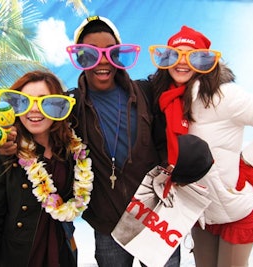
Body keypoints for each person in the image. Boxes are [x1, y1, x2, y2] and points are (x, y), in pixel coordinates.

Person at [148, 25, 253, 267]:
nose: (182, 63)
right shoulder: (166, 98)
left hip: (234, 208)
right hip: (201, 211)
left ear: (205, 61)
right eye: (175, 55)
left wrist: (247, 160)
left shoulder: (224, 96)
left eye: (193, 55)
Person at [65, 16, 180, 267]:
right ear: (81, 58)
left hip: (157, 217)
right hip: (109, 224)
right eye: (91, 53)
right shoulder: (70, 106)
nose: (103, 60)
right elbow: (35, 125)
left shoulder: (147, 92)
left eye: (110, 52)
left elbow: (166, 138)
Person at [0, 70, 94, 267]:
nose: (34, 109)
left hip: (61, 254)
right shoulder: (5, 154)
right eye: (25, 101)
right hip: (19, 257)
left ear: (58, 107)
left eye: (45, 102)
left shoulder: (69, 151)